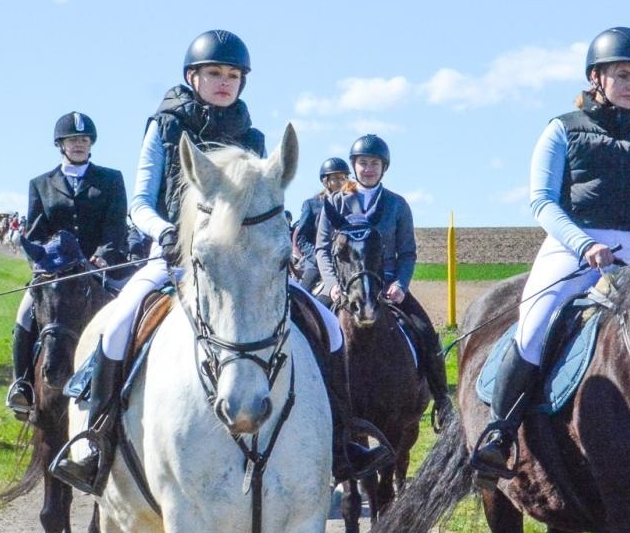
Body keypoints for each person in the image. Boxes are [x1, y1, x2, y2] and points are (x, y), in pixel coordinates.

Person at [50, 29, 387, 493]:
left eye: (233, 75)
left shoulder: (251, 135)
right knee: (118, 323)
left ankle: (341, 441)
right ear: (194, 77)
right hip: (174, 258)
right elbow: (141, 201)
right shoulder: (165, 126)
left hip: (241, 266)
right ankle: (95, 438)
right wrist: (165, 232)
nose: (224, 82)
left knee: (326, 325)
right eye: (214, 73)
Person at [469, 26, 630, 479]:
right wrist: (584, 243)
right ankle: (499, 433)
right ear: (596, 77)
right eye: (624, 74)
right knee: (536, 322)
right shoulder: (561, 129)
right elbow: (542, 200)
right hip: (574, 244)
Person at [315, 134, 453, 426]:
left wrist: (401, 285)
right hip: (344, 286)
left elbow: (407, 253)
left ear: (383, 168)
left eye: (374, 163)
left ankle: (442, 400)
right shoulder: (335, 203)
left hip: (386, 286)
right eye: (363, 163)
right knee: (310, 331)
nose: (368, 169)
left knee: (425, 332)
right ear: (354, 166)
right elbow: (322, 249)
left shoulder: (397, 205)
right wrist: (331, 285)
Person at [8, 112, 129, 418]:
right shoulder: (40, 184)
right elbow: (35, 233)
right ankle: (22, 384)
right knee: (24, 314)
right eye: (72, 140)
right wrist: (49, 261)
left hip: (99, 270)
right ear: (60, 145)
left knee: (129, 314)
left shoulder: (111, 180)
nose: (78, 144)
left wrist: (102, 255)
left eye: (84, 139)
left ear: (91, 144)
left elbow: (115, 229)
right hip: (56, 273)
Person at [292, 156, 353, 290]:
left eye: (344, 178)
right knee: (301, 295)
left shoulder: (353, 204)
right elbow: (302, 238)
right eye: (336, 178)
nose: (341, 182)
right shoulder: (311, 205)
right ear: (326, 181)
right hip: (316, 262)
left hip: (346, 261)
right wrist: (317, 258)